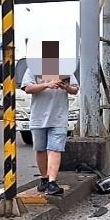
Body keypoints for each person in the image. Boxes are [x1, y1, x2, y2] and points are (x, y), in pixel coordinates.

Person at [21, 56, 79, 196]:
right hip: (39, 117)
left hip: (59, 117)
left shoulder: (65, 70)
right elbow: (27, 88)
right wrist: (47, 85)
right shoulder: (33, 70)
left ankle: (52, 182)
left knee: (55, 148)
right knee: (40, 149)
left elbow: (75, 90)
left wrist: (66, 87)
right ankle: (45, 179)